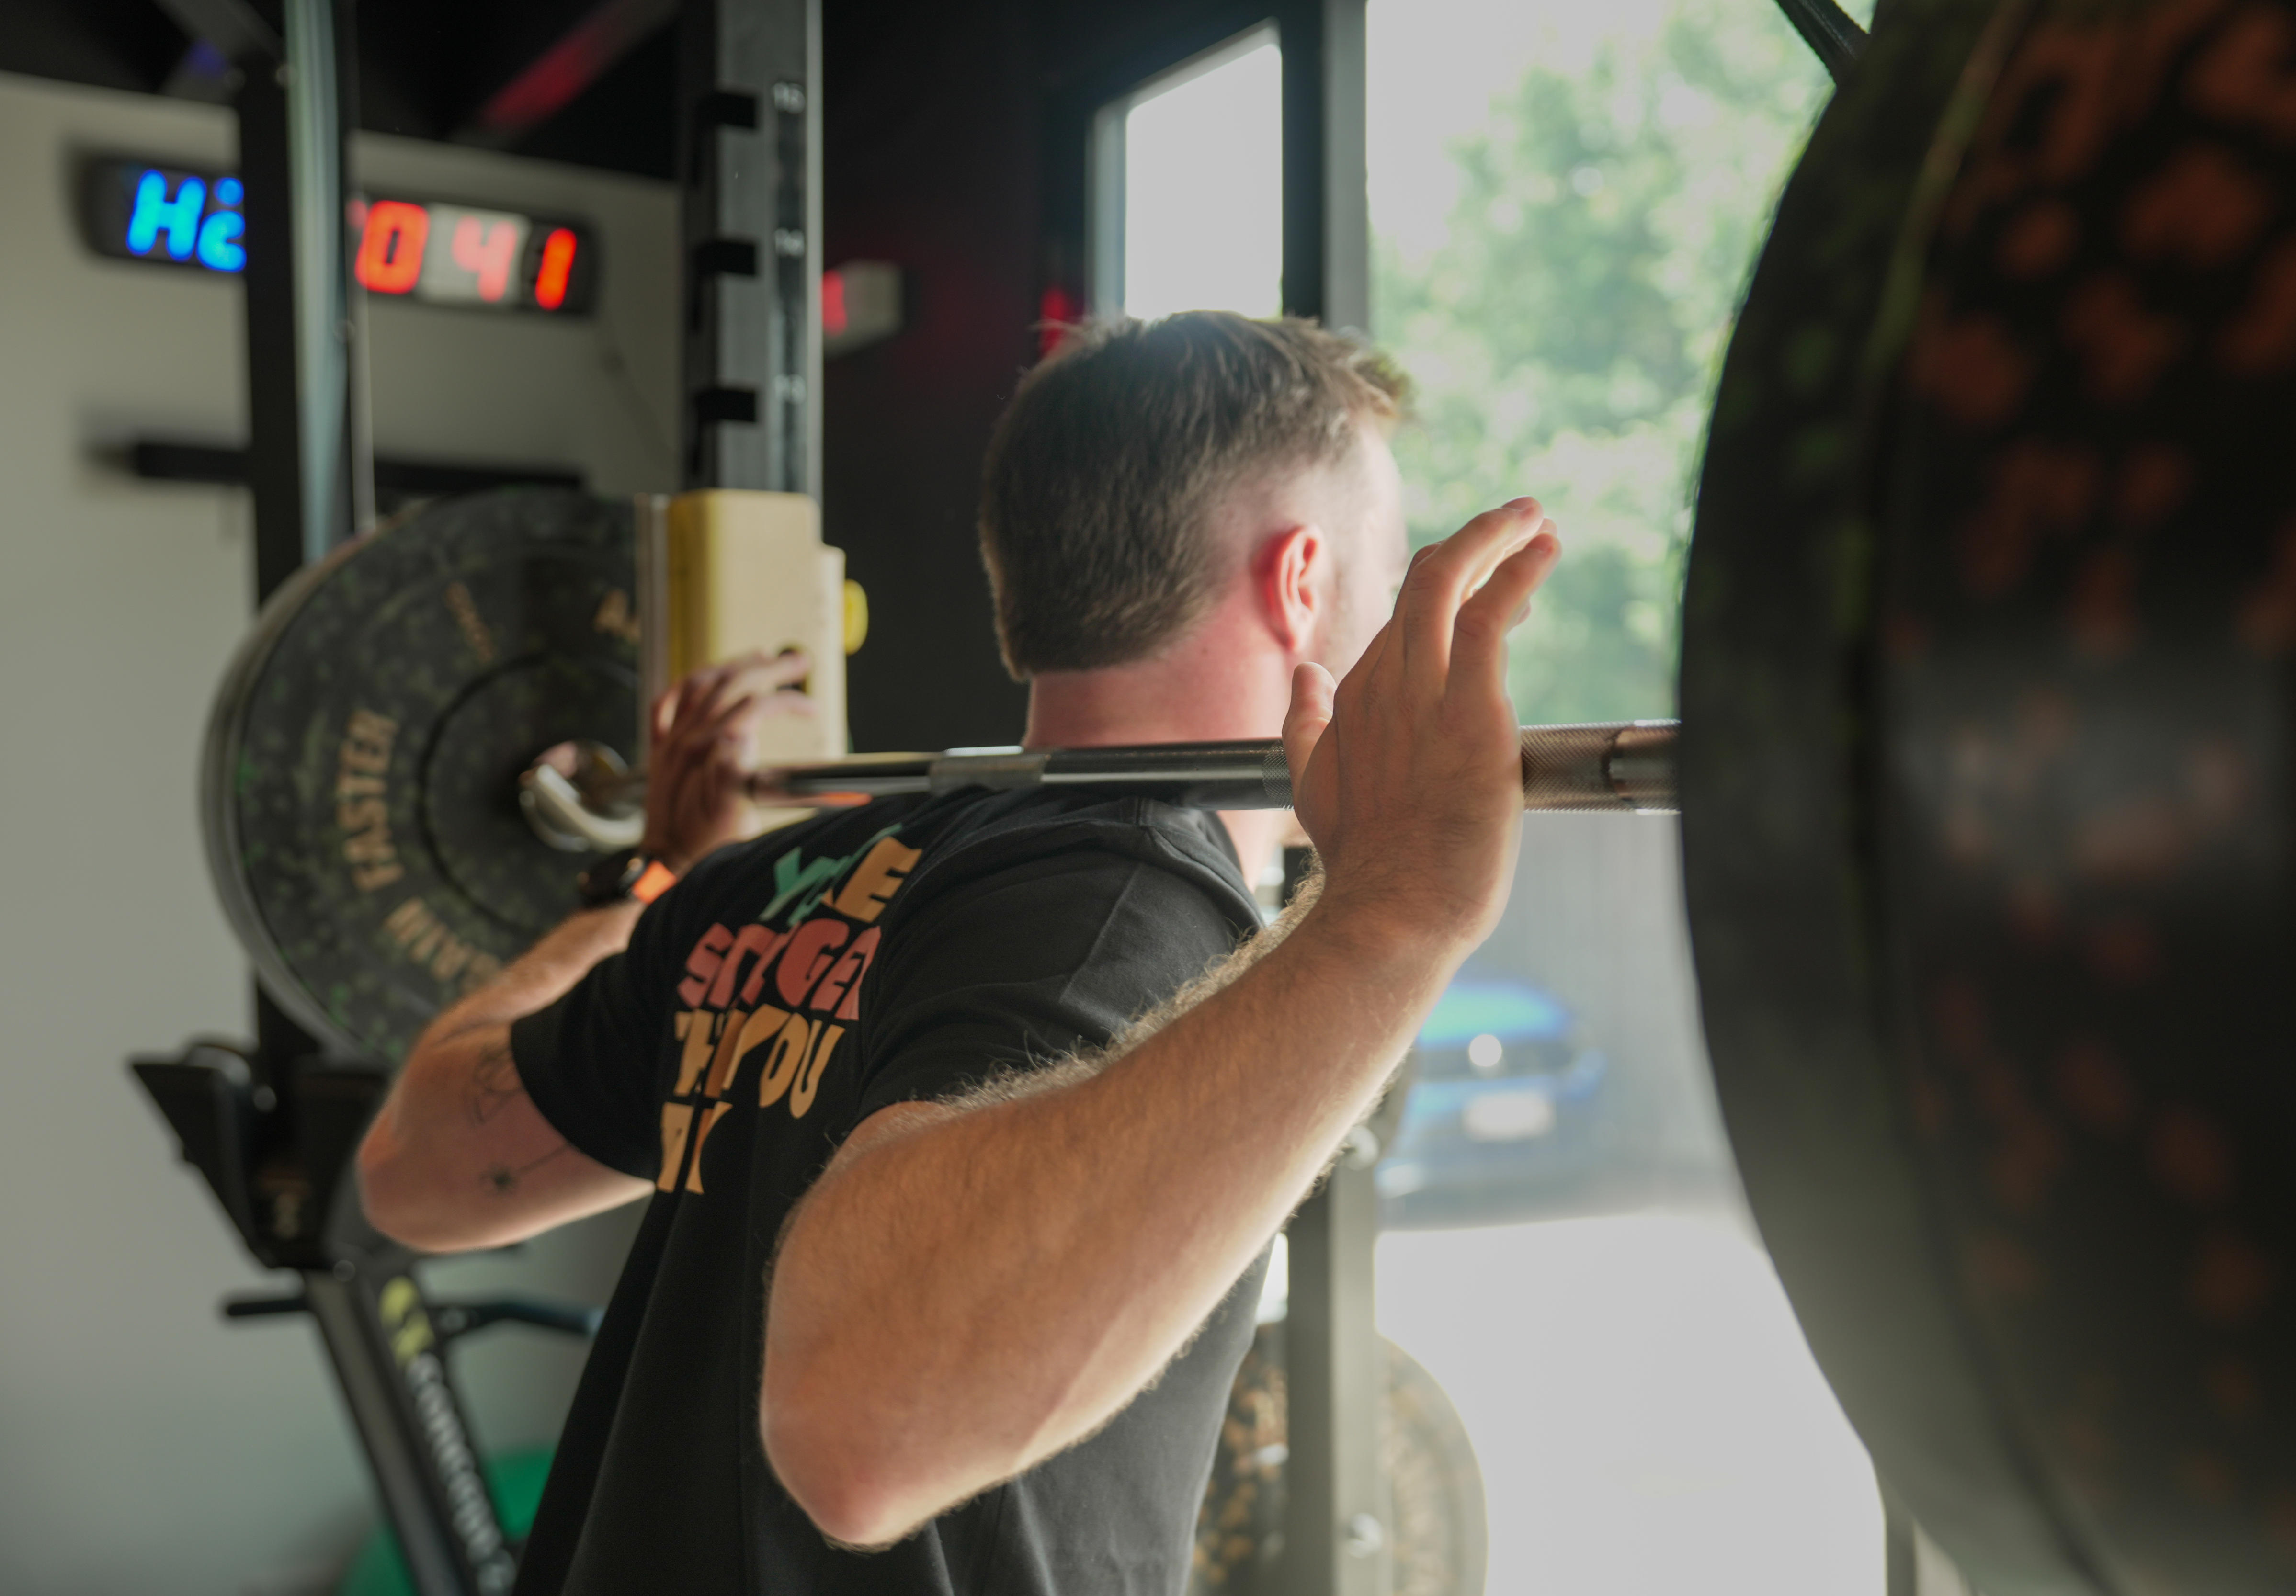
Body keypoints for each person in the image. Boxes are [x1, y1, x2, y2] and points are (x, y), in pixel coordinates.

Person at [355, 310, 1559, 1595]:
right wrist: (1392, 917)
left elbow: (420, 1166)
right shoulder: (1142, 910)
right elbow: (859, 1433)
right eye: (1380, 575)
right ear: (1303, 581)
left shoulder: (780, 881)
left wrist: (666, 882)